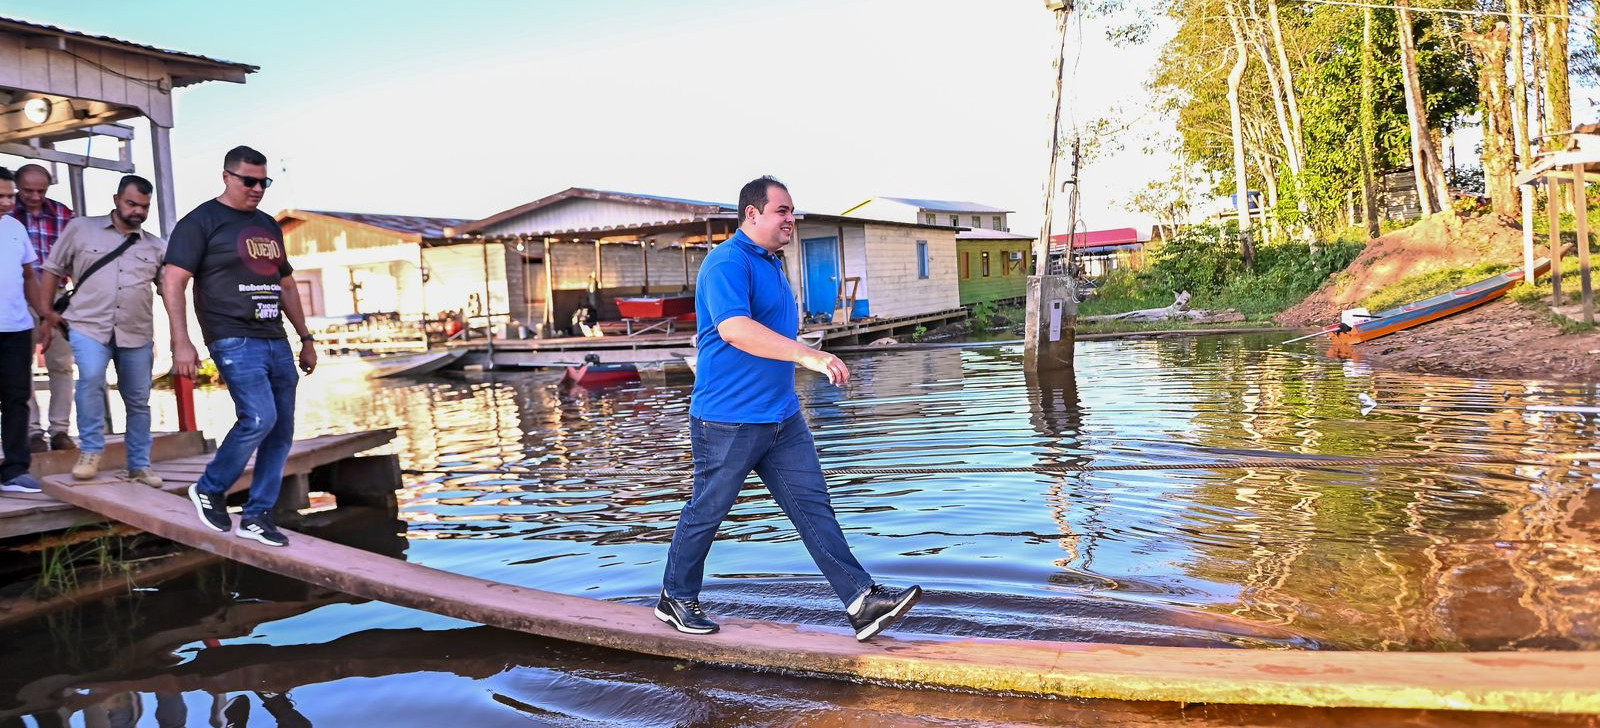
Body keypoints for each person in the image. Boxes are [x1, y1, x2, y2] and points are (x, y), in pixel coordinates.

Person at [656, 176, 920, 642]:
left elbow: (762, 332)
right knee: (708, 509)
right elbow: (736, 329)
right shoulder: (726, 262)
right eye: (782, 211)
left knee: (814, 507)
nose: (791, 219)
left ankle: (861, 601)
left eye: (792, 211)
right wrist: (809, 355)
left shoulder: (773, 264)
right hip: (728, 418)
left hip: (781, 416)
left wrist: (798, 354)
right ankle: (675, 598)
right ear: (752, 214)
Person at [164, 146, 316, 547]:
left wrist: (307, 338)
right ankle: (210, 488)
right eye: (248, 181)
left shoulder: (268, 224)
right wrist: (182, 340)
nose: (256, 189)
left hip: (275, 338)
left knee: (282, 429)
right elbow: (173, 280)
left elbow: (285, 284)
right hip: (232, 336)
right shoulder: (201, 222)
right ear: (227, 176)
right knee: (259, 418)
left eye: (263, 182)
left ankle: (257, 515)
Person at [38, 175, 166, 488]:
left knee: (138, 400)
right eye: (131, 203)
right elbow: (53, 268)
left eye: (144, 207)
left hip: (136, 332)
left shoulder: (156, 246)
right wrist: (47, 313)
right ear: (116, 199)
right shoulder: (81, 228)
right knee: (91, 378)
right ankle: (91, 452)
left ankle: (139, 465)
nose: (138, 211)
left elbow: (169, 290)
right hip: (87, 326)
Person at [10, 164, 75, 453]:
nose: (35, 196)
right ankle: (33, 431)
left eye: (41, 191)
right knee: (18, 366)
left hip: (56, 298)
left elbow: (79, 256)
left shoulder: (64, 214)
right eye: (28, 190)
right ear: (16, 187)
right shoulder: (7, 215)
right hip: (16, 297)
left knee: (61, 364)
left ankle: (60, 430)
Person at [0, 167, 50, 494]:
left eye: (9, 195)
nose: (7, 202)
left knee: (17, 399)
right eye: (0, 196)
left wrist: (44, 314)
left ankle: (15, 470)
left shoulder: (15, 228)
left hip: (16, 329)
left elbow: (29, 277)